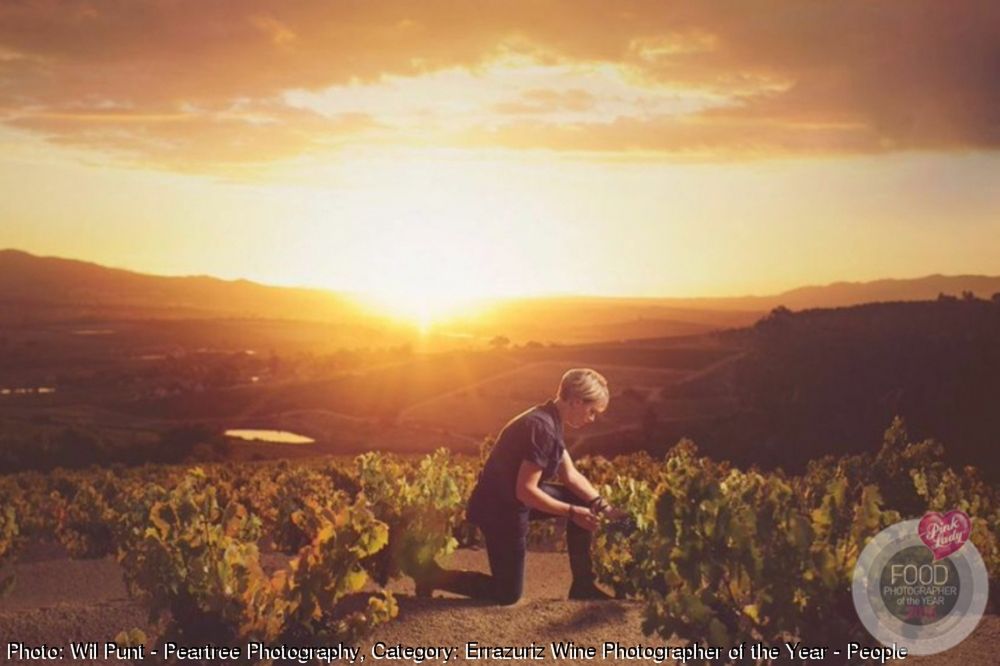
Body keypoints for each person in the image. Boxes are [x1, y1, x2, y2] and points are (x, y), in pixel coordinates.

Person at [414, 368, 622, 604]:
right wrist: (573, 513)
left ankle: (583, 586)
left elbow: (571, 475)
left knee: (581, 499)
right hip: (499, 510)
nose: (592, 418)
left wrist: (601, 506)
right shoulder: (541, 428)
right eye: (591, 411)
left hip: (514, 500)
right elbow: (526, 491)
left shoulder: (550, 419)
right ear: (575, 401)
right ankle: (432, 576)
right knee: (508, 594)